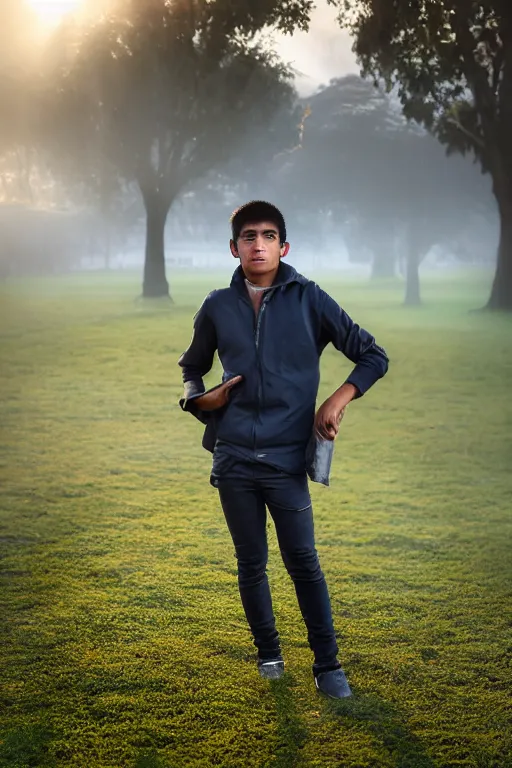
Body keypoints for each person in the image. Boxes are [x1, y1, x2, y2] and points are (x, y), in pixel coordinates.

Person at [178, 201, 389, 699]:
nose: (258, 244)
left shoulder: (310, 299)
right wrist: (198, 398)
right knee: (250, 561)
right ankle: (268, 652)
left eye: (268, 236)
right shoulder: (217, 305)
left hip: (286, 459)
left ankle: (328, 665)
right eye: (248, 236)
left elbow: (372, 355)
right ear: (234, 248)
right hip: (231, 457)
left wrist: (338, 399)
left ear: (283, 246)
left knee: (303, 561)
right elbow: (192, 366)